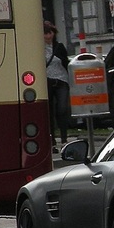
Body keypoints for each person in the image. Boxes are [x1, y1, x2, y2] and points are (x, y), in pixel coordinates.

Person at [44, 20, 70, 152]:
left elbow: (66, 63)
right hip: (46, 81)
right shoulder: (37, 48)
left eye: (50, 33)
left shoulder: (59, 47)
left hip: (61, 80)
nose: (48, 36)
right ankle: (52, 140)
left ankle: (64, 139)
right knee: (49, 112)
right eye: (46, 34)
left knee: (62, 109)